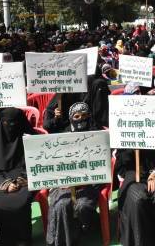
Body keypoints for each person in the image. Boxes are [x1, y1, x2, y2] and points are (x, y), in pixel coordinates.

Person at [46, 103, 102, 246]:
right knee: (61, 205)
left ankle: (84, 227)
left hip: (89, 183)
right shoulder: (63, 135)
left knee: (82, 205)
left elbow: (101, 164)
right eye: (77, 116)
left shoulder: (98, 134)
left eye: (84, 116)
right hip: (65, 184)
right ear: (71, 118)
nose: (81, 119)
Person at [0, 107, 37, 246]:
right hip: (3, 183)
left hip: (26, 181)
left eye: (15, 124)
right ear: (2, 123)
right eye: (7, 123)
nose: (11, 127)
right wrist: (6, 183)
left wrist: (19, 182)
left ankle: (21, 240)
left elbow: (37, 165)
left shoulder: (31, 140)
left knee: (20, 205)